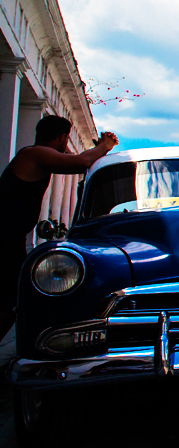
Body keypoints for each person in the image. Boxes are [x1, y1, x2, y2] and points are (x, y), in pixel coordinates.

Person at [0, 116, 118, 338]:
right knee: (9, 299)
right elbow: (81, 162)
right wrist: (105, 145)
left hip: (11, 237)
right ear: (63, 137)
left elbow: (80, 160)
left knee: (11, 298)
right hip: (4, 237)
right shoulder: (35, 154)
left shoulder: (36, 155)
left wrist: (98, 151)